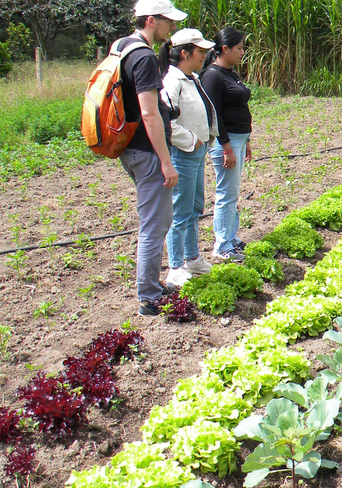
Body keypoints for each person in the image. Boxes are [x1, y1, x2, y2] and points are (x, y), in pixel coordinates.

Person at [118, 0, 187, 315]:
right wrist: (166, 160)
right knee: (155, 223)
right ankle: (148, 296)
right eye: (167, 21)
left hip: (129, 147)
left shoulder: (121, 46)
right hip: (147, 151)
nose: (171, 26)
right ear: (150, 20)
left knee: (155, 220)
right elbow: (148, 112)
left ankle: (152, 285)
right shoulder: (144, 56)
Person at [158, 29, 218, 287]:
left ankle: (192, 258)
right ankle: (175, 266)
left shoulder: (190, 78)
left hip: (196, 153)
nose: (204, 56)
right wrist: (193, 140)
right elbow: (165, 123)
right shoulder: (171, 82)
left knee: (194, 206)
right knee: (180, 211)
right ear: (184, 53)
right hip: (183, 154)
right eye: (200, 52)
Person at [199, 28, 252, 262]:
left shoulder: (230, 73)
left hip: (238, 140)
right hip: (226, 142)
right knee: (226, 193)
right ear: (225, 49)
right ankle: (222, 246)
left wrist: (246, 140)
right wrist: (227, 147)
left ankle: (231, 237)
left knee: (232, 192)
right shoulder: (212, 75)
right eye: (239, 48)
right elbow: (214, 114)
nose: (242, 52)